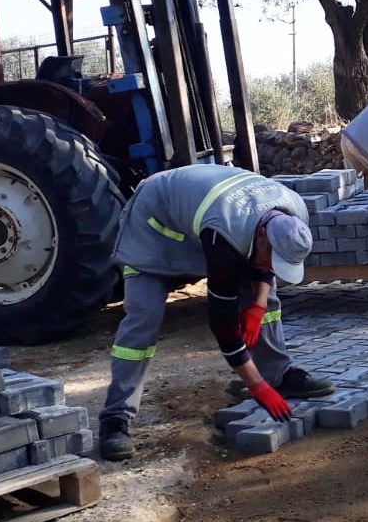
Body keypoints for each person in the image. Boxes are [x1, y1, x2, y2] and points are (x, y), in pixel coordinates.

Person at [98, 164, 335, 461]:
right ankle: (115, 419)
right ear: (261, 235)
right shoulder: (225, 236)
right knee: (144, 317)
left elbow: (264, 267)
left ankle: (279, 374)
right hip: (154, 222)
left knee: (265, 297)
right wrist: (256, 386)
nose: (273, 268)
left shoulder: (293, 212)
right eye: (271, 259)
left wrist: (259, 304)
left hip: (203, 215)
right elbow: (222, 325)